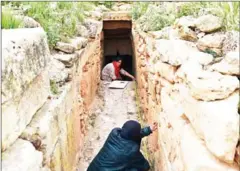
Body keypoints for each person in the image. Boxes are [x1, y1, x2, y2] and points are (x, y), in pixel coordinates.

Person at [87, 120, 158, 171]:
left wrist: (148, 129)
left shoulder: (114, 133)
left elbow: (132, 134)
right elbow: (144, 165)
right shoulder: (131, 150)